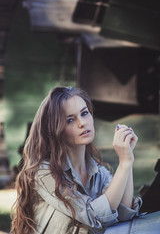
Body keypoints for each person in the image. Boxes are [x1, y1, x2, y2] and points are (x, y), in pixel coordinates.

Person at [11, 86, 141, 234]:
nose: (82, 123)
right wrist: (123, 163)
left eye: (84, 113)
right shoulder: (44, 173)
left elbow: (124, 214)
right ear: (56, 129)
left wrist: (127, 160)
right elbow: (93, 216)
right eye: (70, 120)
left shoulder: (99, 172)